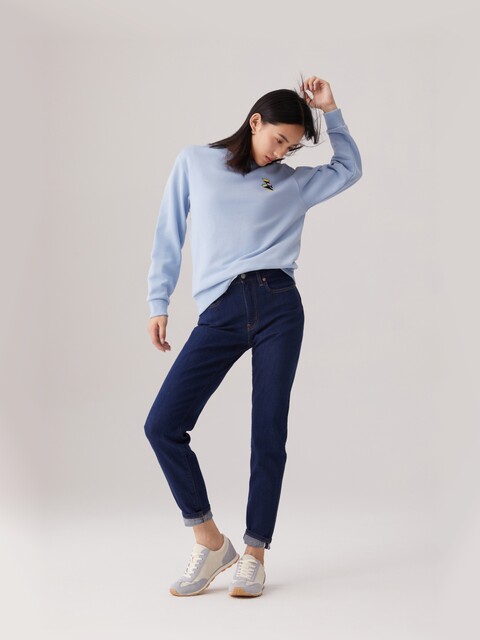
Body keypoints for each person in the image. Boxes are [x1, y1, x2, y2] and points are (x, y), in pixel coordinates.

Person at [144, 75, 363, 597]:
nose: (281, 153)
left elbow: (350, 168)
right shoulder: (195, 162)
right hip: (220, 309)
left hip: (279, 306)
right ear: (255, 121)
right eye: (278, 140)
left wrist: (330, 110)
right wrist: (158, 300)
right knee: (163, 425)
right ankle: (210, 540)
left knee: (268, 430)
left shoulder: (291, 182)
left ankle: (255, 553)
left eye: (292, 147)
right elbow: (169, 232)